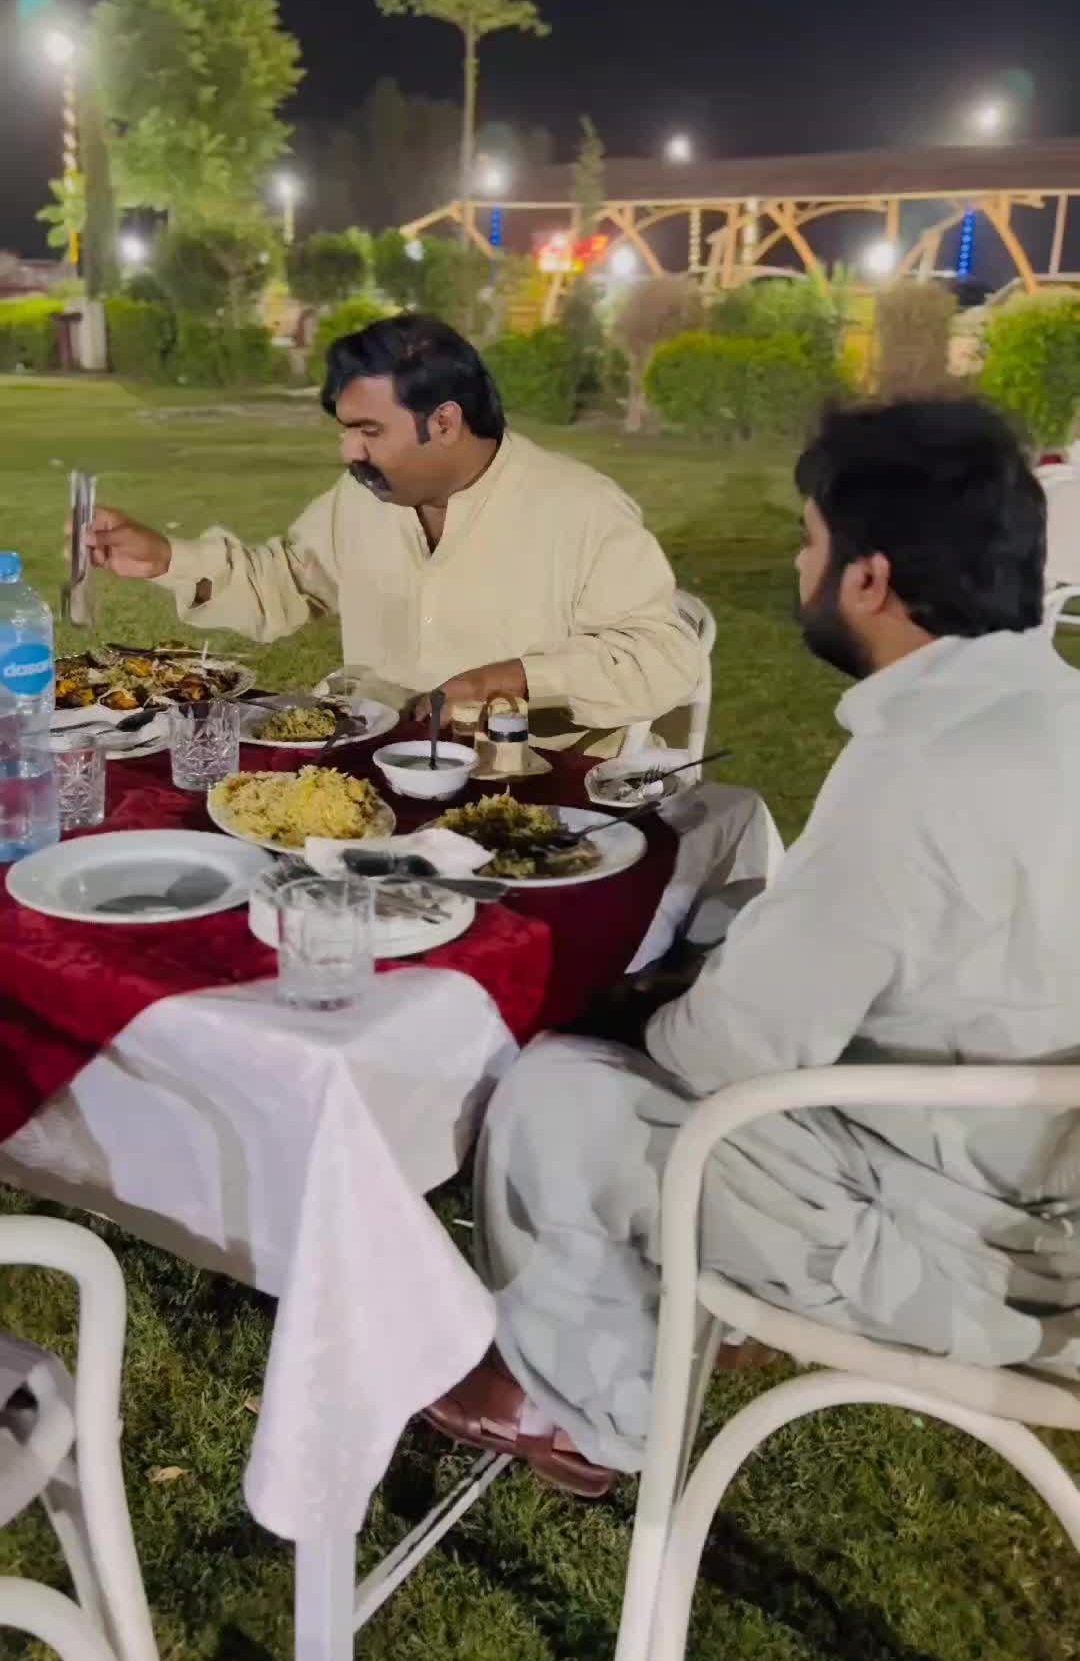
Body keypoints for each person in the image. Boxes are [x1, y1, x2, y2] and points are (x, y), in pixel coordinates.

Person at [428, 397, 1080, 1497]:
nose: (798, 565)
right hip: (1020, 1177)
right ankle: (677, 1313)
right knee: (726, 923)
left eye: (809, 541)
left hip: (986, 1262)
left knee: (559, 1092)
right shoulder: (1048, 708)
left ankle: (582, 1406)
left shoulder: (919, 772)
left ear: (868, 580)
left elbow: (726, 1053)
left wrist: (628, 1010)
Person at [83, 314, 700, 750]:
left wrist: (508, 680)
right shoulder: (363, 499)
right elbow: (287, 580)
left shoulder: (579, 509)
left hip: (529, 785)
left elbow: (663, 657)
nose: (349, 452)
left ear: (445, 422)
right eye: (346, 430)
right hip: (372, 759)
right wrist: (165, 558)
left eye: (370, 431)